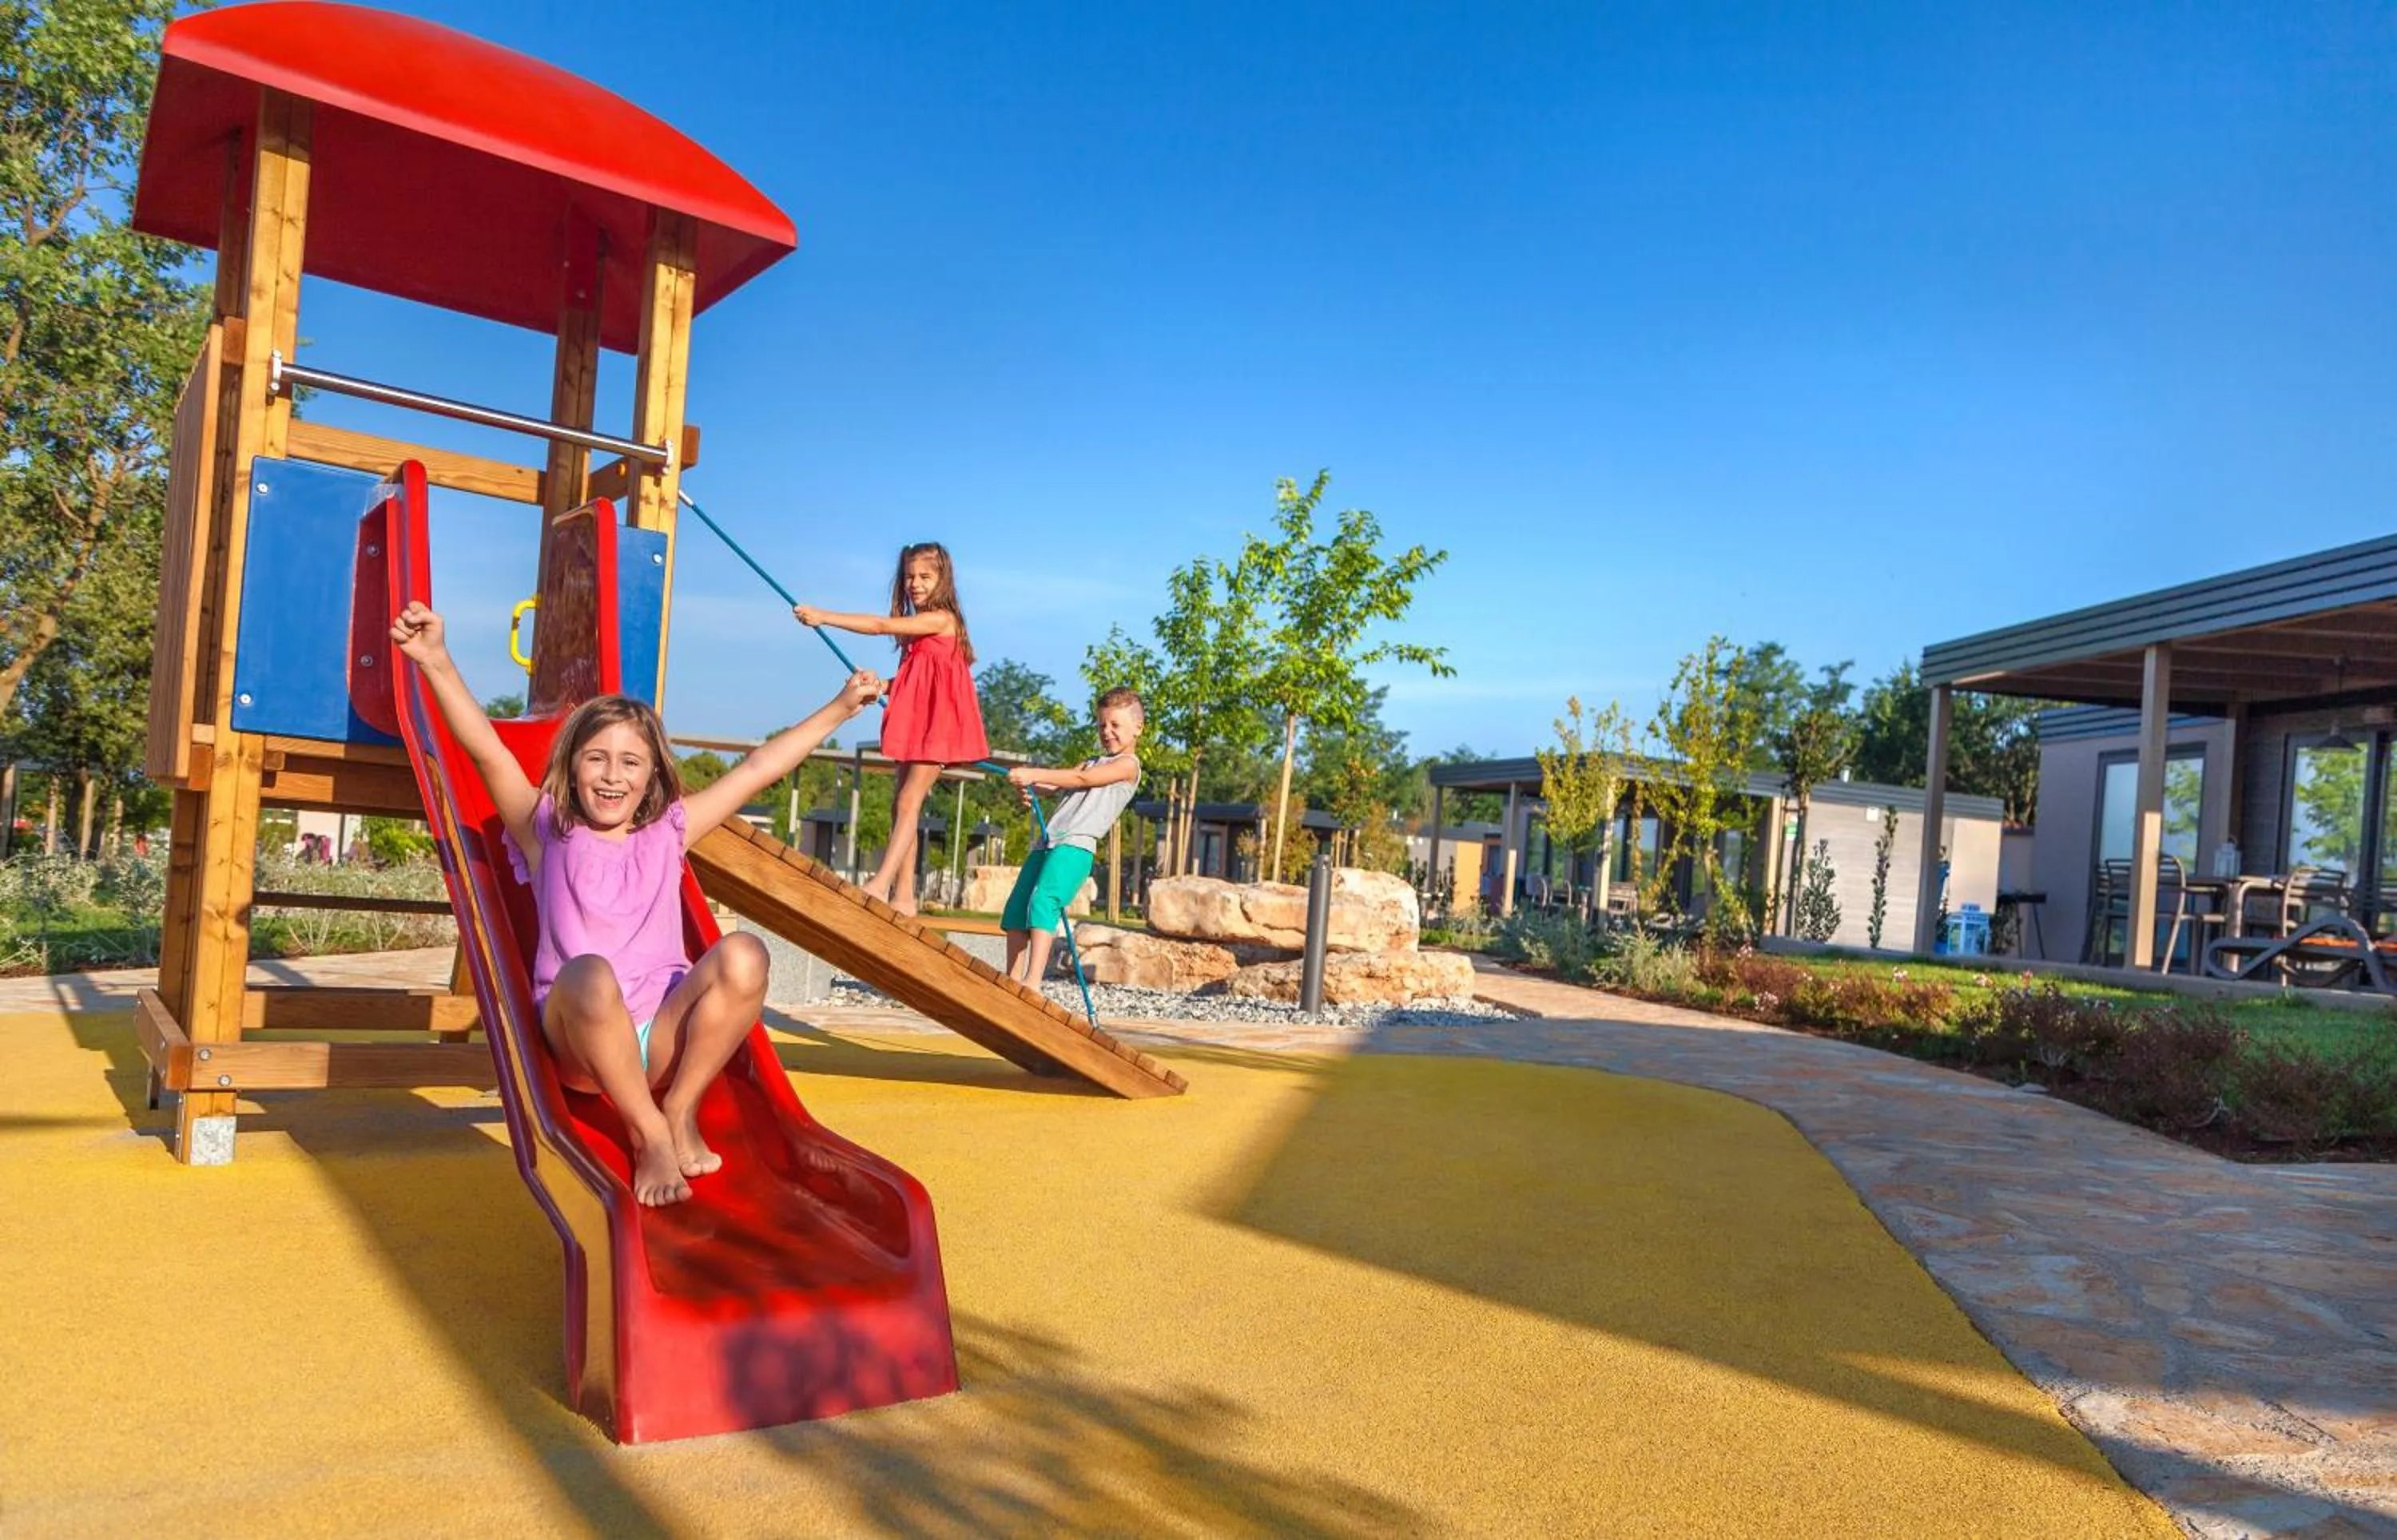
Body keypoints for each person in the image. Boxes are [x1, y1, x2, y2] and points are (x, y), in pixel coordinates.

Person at [390, 599, 881, 1207]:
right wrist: (435, 660)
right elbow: (487, 750)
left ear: (652, 777)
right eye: (596, 758)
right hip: (582, 1038)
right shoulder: (546, 830)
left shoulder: (670, 831)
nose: (612, 775)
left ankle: (678, 1107)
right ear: (570, 768)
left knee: (746, 954)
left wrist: (840, 707)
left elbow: (757, 769)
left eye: (631, 762)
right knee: (591, 974)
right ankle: (647, 1130)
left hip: (665, 1036)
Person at [793, 542, 987, 916]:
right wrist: (883, 685)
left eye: (925, 577)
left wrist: (824, 616)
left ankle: (880, 885)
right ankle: (903, 897)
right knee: (902, 809)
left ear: (943, 580)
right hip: (921, 723)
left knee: (908, 801)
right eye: (910, 577)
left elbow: (880, 625)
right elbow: (919, 676)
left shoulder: (942, 619)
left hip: (939, 727)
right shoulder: (920, 632)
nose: (915, 584)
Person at [1000, 688, 1144, 986]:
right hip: (1049, 841)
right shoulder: (1092, 761)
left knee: (1044, 901)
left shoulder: (1128, 766)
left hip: (1076, 845)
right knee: (1017, 906)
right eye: (1102, 725)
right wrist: (1029, 785)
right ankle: (1011, 978)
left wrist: (1034, 772)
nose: (1107, 732)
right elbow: (1056, 785)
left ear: (1137, 728)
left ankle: (1032, 981)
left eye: (1115, 725)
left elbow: (1083, 780)